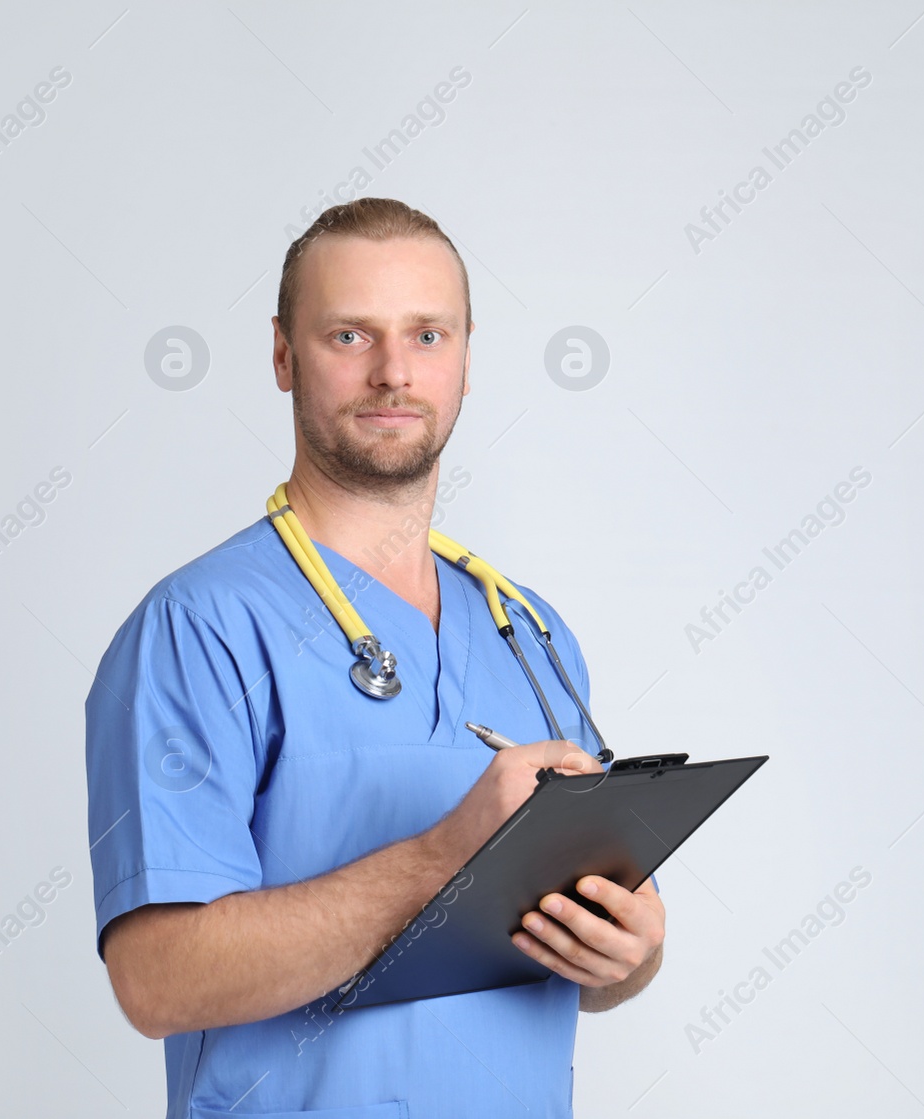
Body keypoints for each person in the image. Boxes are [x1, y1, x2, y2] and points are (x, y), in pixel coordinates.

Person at [85, 197, 665, 1118]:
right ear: (282, 355)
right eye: (350, 334)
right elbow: (155, 981)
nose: (394, 372)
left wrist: (626, 952)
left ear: (468, 358)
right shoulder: (200, 627)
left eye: (428, 335)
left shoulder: (530, 631)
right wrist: (444, 855)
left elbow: (594, 958)